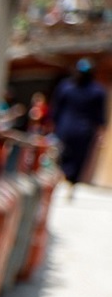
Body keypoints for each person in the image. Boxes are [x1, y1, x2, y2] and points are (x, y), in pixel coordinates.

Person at [50, 58, 107, 197]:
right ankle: (69, 183)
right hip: (82, 131)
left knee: (65, 156)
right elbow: (99, 116)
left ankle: (64, 181)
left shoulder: (66, 87)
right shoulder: (97, 91)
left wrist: (53, 124)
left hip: (66, 128)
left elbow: (56, 110)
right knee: (75, 158)